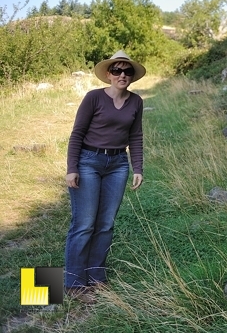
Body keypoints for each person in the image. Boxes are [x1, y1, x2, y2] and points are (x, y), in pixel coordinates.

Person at [64, 50, 145, 302]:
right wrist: (72, 168)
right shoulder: (94, 98)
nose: (123, 75)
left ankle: (96, 277)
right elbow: (77, 133)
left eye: (127, 71)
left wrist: (138, 167)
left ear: (132, 76)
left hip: (118, 164)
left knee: (106, 224)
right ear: (108, 74)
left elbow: (136, 136)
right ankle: (74, 284)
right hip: (88, 161)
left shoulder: (136, 101)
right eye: (117, 70)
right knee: (84, 223)